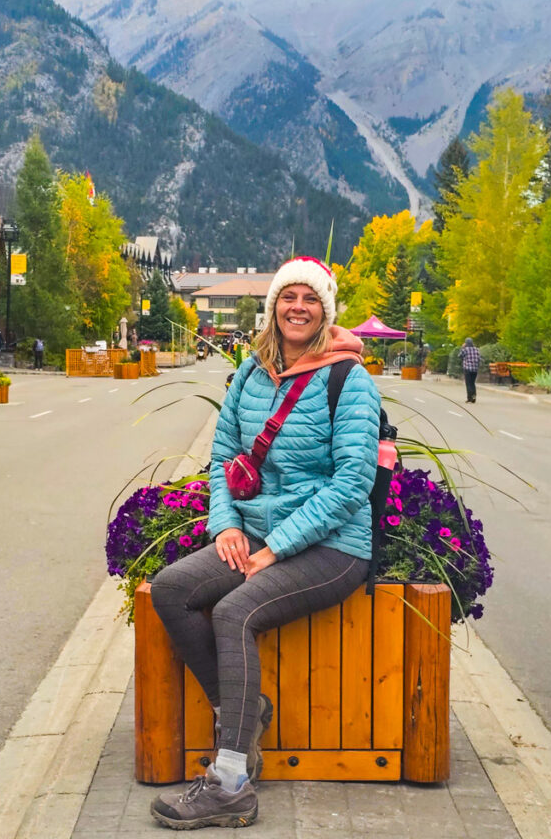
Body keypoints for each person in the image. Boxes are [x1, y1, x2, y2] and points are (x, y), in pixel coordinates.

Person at [149, 257, 381, 830]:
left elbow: (353, 482)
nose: (297, 307)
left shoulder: (348, 379)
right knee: (173, 590)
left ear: (325, 311)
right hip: (252, 531)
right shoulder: (252, 374)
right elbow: (224, 456)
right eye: (287, 297)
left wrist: (275, 545)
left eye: (310, 298)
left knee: (234, 611)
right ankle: (245, 714)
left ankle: (230, 785)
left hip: (333, 547)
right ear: (272, 306)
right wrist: (227, 526)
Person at [459, 337, 481, 403]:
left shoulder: (465, 349)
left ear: (466, 343)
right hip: (475, 369)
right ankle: (474, 396)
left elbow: (459, 356)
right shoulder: (476, 349)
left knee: (468, 383)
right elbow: (479, 358)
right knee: (472, 383)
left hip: (467, 368)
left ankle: (469, 398)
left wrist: (462, 348)